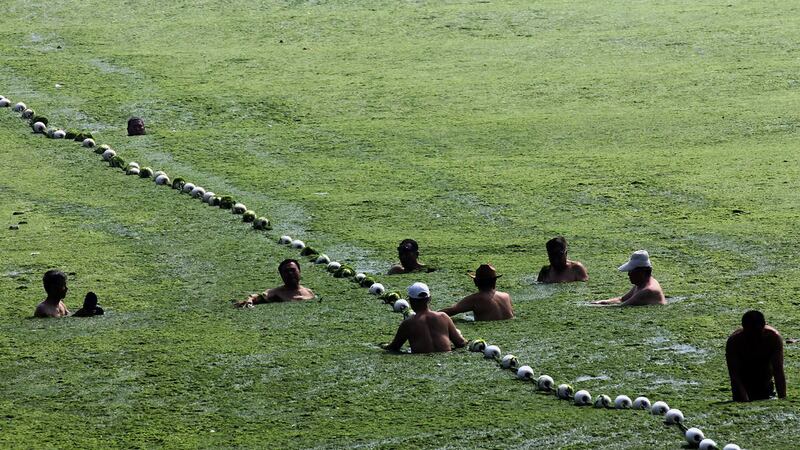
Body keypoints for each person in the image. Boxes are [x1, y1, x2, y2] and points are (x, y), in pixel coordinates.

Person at [384, 282, 467, 353]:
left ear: (411, 301)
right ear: (430, 299)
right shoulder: (444, 317)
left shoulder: (408, 323)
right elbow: (460, 343)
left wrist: (382, 346)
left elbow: (394, 347)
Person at [726, 310, 786, 402]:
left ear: (764, 326)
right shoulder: (734, 341)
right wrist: (744, 401)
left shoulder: (773, 338)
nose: (754, 338)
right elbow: (734, 375)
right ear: (744, 328)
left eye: (758, 332)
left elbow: (778, 370)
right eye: (750, 333)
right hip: (743, 383)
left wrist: (782, 400)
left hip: (765, 383)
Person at [440, 264, 514, 321]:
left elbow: (451, 311)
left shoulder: (476, 299)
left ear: (475, 282)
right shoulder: (506, 296)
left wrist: (433, 315)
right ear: (495, 281)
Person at [591, 250, 665, 306]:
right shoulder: (641, 284)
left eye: (631, 271)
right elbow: (622, 299)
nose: (629, 274)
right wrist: (602, 302)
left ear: (642, 272)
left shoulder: (648, 290)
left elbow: (623, 306)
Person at [236, 259, 315, 307]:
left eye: (293, 270)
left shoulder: (309, 292)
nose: (290, 273)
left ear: (299, 271)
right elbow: (256, 297)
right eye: (286, 271)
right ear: (281, 275)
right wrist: (249, 301)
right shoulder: (276, 293)